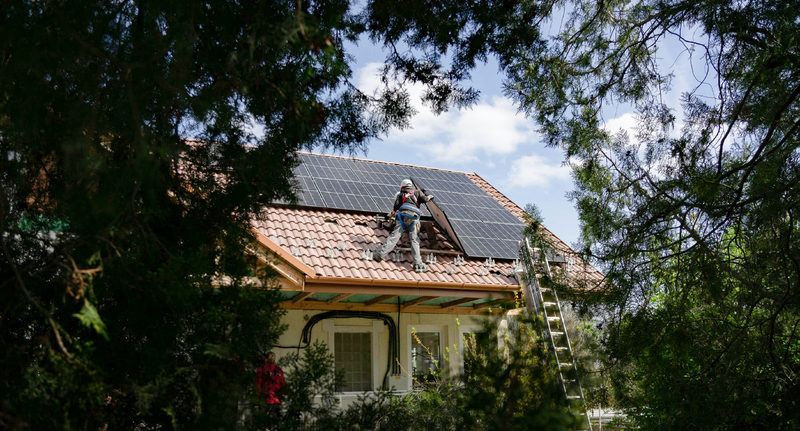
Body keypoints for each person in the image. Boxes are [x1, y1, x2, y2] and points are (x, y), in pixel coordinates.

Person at [374, 179, 434, 271]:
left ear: (402, 186)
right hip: (414, 217)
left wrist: (393, 214)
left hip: (402, 215)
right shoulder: (417, 192)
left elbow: (396, 206)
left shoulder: (401, 194)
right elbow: (425, 200)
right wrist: (429, 196)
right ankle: (418, 264)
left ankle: (379, 255)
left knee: (394, 237)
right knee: (415, 240)